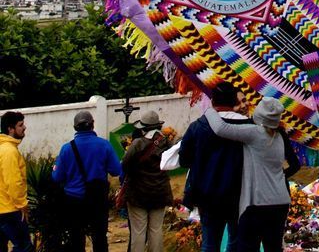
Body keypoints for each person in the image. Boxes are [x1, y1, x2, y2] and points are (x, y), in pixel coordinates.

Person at [204, 96, 298, 252]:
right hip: (281, 201)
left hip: (257, 203)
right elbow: (295, 165)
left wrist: (211, 109)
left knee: (248, 246)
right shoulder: (281, 135)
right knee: (273, 247)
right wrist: (280, 177)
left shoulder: (254, 133)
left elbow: (221, 129)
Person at [179, 82, 248, 252]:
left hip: (207, 195)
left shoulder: (197, 127)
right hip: (239, 194)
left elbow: (184, 160)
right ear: (235, 101)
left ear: (212, 102)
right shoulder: (249, 127)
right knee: (236, 240)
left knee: (210, 243)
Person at [52, 109, 121, 252]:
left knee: (76, 237)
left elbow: (57, 177)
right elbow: (116, 170)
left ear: (75, 127)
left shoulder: (66, 149)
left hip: (74, 200)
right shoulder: (104, 145)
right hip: (97, 199)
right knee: (100, 237)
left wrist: (55, 169)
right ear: (92, 125)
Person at [122, 110, 173, 252]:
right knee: (156, 230)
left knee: (139, 231)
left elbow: (125, 165)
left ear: (143, 128)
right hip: (160, 192)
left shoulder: (138, 143)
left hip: (138, 193)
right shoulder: (166, 143)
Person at [0, 112, 29, 252]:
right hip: (10, 210)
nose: (24, 128)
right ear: (10, 129)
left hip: (3, 208)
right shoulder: (9, 151)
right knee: (24, 247)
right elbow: (13, 182)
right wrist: (22, 205)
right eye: (20, 125)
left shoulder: (3, 148)